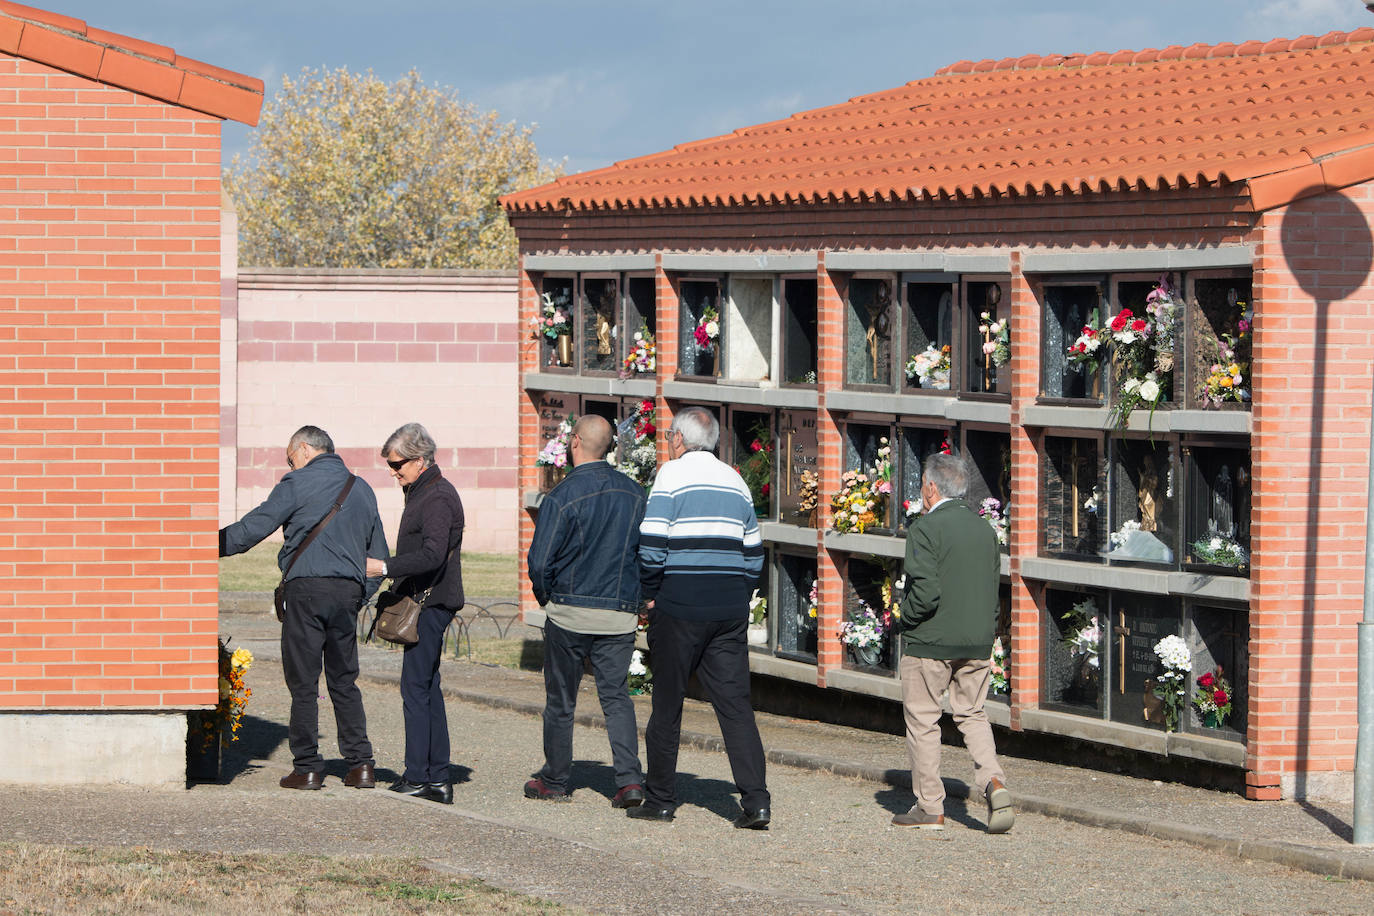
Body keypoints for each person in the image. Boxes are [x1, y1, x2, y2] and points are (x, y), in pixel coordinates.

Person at [219, 425, 387, 791]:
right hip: (347, 594)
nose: (290, 466)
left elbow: (253, 529)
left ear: (306, 449)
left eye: (290, 458)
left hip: (306, 591)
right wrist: (360, 594)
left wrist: (203, 543)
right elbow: (379, 556)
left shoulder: (296, 484)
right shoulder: (362, 489)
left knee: (304, 682)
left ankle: (308, 767)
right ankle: (360, 767)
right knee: (344, 681)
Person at [630, 406, 770, 829]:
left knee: (668, 704)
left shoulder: (670, 477)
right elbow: (753, 554)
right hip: (728, 608)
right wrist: (738, 594)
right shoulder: (736, 480)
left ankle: (660, 798)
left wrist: (650, 594)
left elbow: (652, 543)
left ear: (677, 439)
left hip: (680, 604)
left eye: (669, 436)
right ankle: (756, 801)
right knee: (735, 707)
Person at [524, 415, 647, 807]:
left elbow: (540, 561)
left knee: (561, 700)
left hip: (569, 613)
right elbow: (648, 555)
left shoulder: (561, 496)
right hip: (618, 615)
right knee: (616, 698)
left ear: (575, 441)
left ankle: (556, 780)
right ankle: (629, 781)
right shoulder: (636, 494)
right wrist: (638, 599)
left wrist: (548, 598)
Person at [893, 452, 1013, 832]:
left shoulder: (925, 529)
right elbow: (993, 590)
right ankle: (994, 783)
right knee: (973, 714)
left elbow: (925, 593)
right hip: (977, 640)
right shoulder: (986, 531)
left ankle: (930, 807)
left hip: (930, 641)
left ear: (930, 487)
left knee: (924, 721)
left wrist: (904, 617)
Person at [366, 423, 465, 805]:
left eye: (398, 464)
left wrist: (384, 568)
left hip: (432, 602)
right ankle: (435, 776)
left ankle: (419, 775)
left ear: (420, 460)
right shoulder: (423, 490)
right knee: (426, 688)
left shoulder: (437, 496)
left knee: (415, 689)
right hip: (430, 600)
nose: (393, 472)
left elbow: (432, 555)